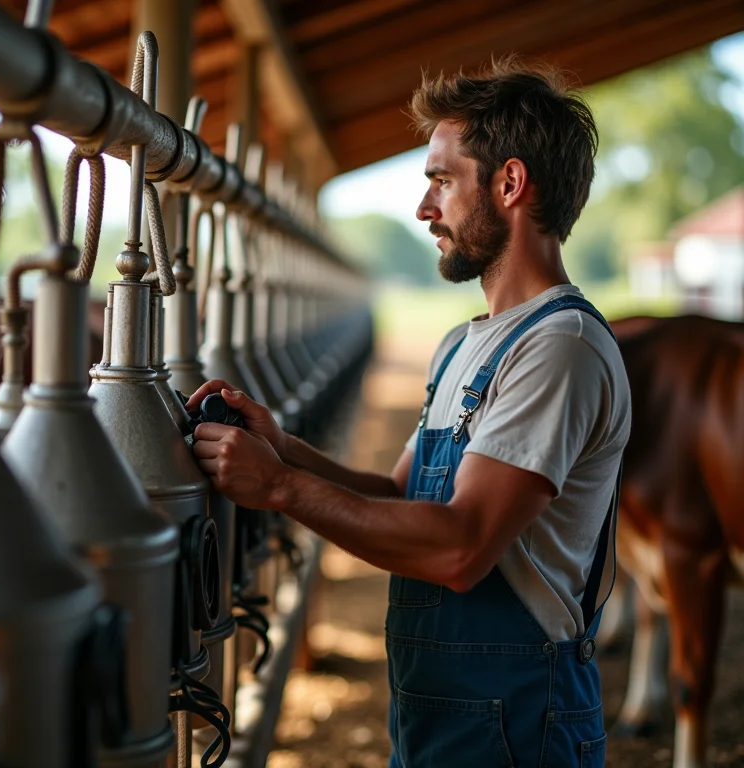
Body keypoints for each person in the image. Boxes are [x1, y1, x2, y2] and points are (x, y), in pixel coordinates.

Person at [186, 57, 631, 768]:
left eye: (441, 181)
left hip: (515, 721)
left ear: (510, 184)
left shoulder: (561, 348)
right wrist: (285, 447)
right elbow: (400, 497)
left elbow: (458, 548)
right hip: (439, 711)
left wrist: (276, 488)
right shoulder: (465, 342)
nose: (425, 209)